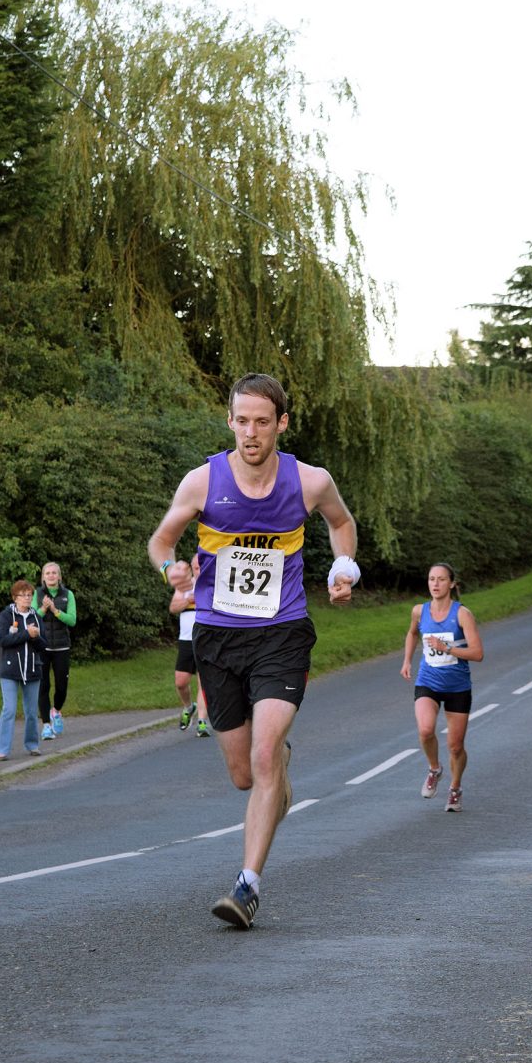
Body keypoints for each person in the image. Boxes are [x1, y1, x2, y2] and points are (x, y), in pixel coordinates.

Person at [148, 372, 360, 929]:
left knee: (264, 758)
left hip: (282, 632)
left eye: (262, 421)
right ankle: (276, 766)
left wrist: (344, 566)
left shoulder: (310, 482)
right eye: (241, 421)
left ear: (281, 424)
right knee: (245, 774)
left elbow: (342, 523)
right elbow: (162, 539)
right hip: (216, 637)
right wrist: (169, 568)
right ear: (229, 422)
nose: (250, 432)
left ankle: (247, 887)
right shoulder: (202, 482)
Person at [400, 562, 483, 811]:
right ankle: (434, 768)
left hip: (457, 685)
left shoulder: (462, 614)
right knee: (426, 730)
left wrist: (446, 648)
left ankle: (455, 787)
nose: (435, 584)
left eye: (441, 579)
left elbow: (478, 653)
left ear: (452, 584)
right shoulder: (419, 611)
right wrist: (406, 660)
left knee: (456, 746)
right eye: (431, 579)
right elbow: (413, 633)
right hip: (428, 681)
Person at [0, 579, 47, 760]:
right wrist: (26, 634)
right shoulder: (6, 616)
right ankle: (1, 750)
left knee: (31, 711)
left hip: (33, 670)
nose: (26, 598)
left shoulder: (36, 617)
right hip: (10, 671)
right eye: (22, 595)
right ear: (14, 598)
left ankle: (32, 745)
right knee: (9, 709)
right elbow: (3, 640)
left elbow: (43, 646)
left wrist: (35, 637)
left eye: (29, 595)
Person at [34, 561, 77, 741]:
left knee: (61, 686)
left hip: (61, 647)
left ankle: (56, 711)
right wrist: (44, 609)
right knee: (43, 687)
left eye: (54, 573)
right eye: (48, 573)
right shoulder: (37, 594)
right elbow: (33, 618)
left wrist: (55, 610)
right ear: (43, 577)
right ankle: (46, 725)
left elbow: (72, 620)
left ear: (59, 576)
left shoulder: (68, 595)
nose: (51, 576)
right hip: (43, 647)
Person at [168, 554, 210, 737]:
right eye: (195, 567)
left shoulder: (212, 585)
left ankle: (202, 722)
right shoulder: (184, 586)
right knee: (181, 682)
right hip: (186, 640)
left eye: (200, 567)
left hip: (206, 639)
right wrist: (188, 600)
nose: (197, 570)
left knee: (204, 682)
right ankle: (188, 706)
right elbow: (173, 608)